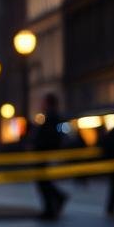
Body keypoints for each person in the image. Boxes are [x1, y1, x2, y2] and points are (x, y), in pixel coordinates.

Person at [32, 92, 69, 220]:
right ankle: (57, 200)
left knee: (43, 181)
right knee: (44, 181)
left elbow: (49, 137)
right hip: (44, 152)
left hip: (44, 153)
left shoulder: (51, 118)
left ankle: (50, 208)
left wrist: (39, 145)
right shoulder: (51, 117)